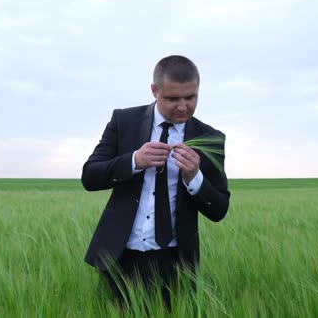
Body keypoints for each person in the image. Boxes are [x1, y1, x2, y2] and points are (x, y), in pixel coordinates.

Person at [81, 55, 230, 308]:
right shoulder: (123, 121)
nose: (183, 106)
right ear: (154, 91)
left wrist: (195, 178)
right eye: (173, 98)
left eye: (191, 97)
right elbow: (90, 176)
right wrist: (135, 160)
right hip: (119, 258)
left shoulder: (210, 138)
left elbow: (219, 209)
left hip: (175, 264)